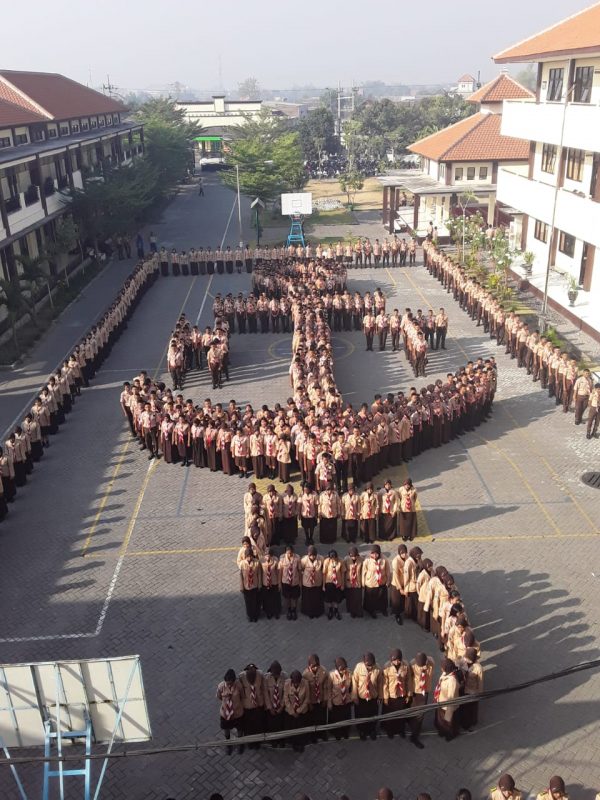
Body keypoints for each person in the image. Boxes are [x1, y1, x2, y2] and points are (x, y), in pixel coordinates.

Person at [352, 652, 382, 740]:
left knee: (373, 715)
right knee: (361, 715)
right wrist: (354, 696)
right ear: (364, 662)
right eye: (368, 665)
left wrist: (380, 696)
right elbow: (354, 681)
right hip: (362, 697)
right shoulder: (358, 667)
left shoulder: (378, 669)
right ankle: (362, 730)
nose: (370, 667)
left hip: (373, 697)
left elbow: (380, 684)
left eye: (371, 665)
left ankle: (372, 730)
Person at [407, 652, 434, 748]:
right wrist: (410, 691)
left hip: (424, 692)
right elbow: (409, 679)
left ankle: (414, 737)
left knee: (420, 714)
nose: (423, 666)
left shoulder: (430, 662)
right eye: (420, 665)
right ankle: (411, 723)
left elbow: (430, 661)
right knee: (412, 710)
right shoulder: (412, 664)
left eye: (424, 664)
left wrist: (425, 668)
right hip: (415, 691)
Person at [382, 648, 409, 739]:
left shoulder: (405, 665)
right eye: (394, 660)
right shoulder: (386, 667)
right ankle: (390, 731)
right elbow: (385, 683)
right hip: (392, 695)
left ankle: (400, 730)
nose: (397, 662)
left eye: (398, 660)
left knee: (401, 714)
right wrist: (385, 697)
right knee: (391, 715)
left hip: (401, 694)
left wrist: (409, 694)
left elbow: (408, 681)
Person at [216, 669, 244, 754]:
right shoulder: (221, 686)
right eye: (227, 682)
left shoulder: (239, 686)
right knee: (226, 729)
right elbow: (219, 697)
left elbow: (242, 696)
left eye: (231, 683)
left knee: (240, 729)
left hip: (237, 713)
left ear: (234, 681)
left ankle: (240, 744)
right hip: (225, 714)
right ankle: (228, 745)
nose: (229, 684)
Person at [303, 654, 330, 740]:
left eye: (316, 666)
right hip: (312, 701)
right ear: (309, 665)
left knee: (322, 718)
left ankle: (322, 734)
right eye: (313, 666)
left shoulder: (324, 671)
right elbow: (306, 691)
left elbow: (326, 687)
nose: (315, 668)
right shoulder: (305, 675)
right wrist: (309, 703)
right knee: (312, 719)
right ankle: (313, 736)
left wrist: (325, 699)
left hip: (321, 700)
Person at [433, 657, 460, 741]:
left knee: (449, 722)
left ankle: (450, 735)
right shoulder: (446, 673)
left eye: (442, 667)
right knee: (441, 720)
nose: (441, 668)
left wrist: (448, 715)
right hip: (441, 702)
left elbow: (451, 698)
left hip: (448, 707)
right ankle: (442, 731)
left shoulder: (452, 681)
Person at [239, 664, 265, 748]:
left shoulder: (260, 674)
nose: (252, 676)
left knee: (258, 724)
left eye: (254, 674)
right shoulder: (241, 677)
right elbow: (240, 691)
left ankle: (258, 742)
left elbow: (263, 688)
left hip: (258, 705)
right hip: (248, 706)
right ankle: (250, 742)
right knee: (249, 726)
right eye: (250, 674)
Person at [284, 670, 310, 752]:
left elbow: (307, 699)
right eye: (295, 682)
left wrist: (299, 710)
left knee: (301, 728)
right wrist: (292, 711)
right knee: (293, 728)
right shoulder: (287, 684)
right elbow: (286, 699)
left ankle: (301, 744)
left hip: (302, 712)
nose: (296, 684)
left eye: (298, 683)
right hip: (291, 713)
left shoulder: (305, 684)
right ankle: (294, 744)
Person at [328, 656, 353, 740]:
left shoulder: (349, 673)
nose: (344, 671)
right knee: (337, 719)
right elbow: (329, 690)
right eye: (342, 670)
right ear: (337, 669)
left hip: (346, 701)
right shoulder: (331, 676)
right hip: (336, 702)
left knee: (346, 718)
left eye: (345, 668)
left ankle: (345, 732)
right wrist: (329, 703)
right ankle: (337, 733)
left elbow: (352, 687)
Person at [362, 544, 390, 618]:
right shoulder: (367, 560)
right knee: (371, 598)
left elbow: (387, 571)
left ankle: (383, 609)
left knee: (382, 597)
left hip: (381, 581)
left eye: (376, 553)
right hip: (370, 582)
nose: (375, 555)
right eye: (373, 553)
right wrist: (363, 582)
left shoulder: (385, 559)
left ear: (379, 553)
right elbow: (364, 572)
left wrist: (388, 581)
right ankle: (371, 611)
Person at [264, 660, 286, 746]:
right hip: (271, 707)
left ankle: (281, 740)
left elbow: (285, 693)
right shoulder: (266, 678)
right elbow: (266, 694)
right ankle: (273, 741)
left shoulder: (284, 677)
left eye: (278, 673)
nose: (276, 675)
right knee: (272, 725)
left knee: (281, 724)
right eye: (274, 673)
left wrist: (282, 706)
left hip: (280, 706)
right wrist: (270, 707)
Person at [459, 647, 483, 730]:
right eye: (465, 657)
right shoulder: (463, 661)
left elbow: (480, 682)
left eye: (467, 658)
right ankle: (462, 720)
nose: (465, 659)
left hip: (472, 691)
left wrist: (479, 694)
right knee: (462, 706)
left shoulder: (478, 668)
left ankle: (468, 723)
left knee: (470, 709)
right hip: (463, 688)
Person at [300, 545, 324, 618]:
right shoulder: (303, 560)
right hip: (307, 583)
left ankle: (318, 612)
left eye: (314, 556)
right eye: (311, 556)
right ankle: (309, 612)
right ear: (308, 554)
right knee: (308, 599)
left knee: (317, 598)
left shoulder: (321, 558)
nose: (313, 557)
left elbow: (322, 569)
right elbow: (301, 569)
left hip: (317, 582)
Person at [279, 545, 301, 620]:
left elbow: (299, 570)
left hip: (295, 581)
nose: (289, 555)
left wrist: (300, 582)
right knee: (287, 598)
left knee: (294, 598)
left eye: (290, 553)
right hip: (286, 582)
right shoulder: (282, 559)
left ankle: (294, 610)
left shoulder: (297, 558)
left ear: (293, 552)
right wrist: (279, 583)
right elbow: (280, 571)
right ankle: (289, 610)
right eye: (287, 553)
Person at [240, 546, 261, 622]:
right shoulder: (242, 564)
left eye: (250, 556)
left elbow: (259, 574)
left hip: (254, 585)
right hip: (246, 586)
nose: (249, 558)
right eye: (247, 556)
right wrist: (241, 587)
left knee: (255, 601)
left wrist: (259, 585)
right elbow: (241, 576)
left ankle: (256, 615)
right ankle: (250, 615)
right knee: (248, 602)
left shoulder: (256, 563)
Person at [323, 549, 345, 620]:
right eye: (331, 558)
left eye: (334, 558)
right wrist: (323, 585)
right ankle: (330, 610)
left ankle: (336, 610)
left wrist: (342, 584)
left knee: (336, 598)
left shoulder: (341, 561)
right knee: (329, 598)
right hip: (329, 582)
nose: (333, 559)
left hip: (337, 583)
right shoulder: (326, 561)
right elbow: (324, 573)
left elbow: (342, 573)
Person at [260, 548, 281, 619]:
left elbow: (278, 572)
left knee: (275, 598)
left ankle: (276, 612)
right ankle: (268, 612)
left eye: (269, 556)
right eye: (266, 556)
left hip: (274, 582)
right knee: (267, 598)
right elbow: (260, 573)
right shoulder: (261, 561)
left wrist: (279, 583)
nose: (267, 557)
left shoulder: (275, 560)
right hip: (265, 582)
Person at [344, 546, 363, 618]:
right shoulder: (346, 559)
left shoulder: (361, 559)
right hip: (349, 581)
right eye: (352, 556)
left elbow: (363, 571)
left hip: (357, 581)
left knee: (358, 597)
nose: (354, 558)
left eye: (355, 556)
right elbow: (344, 571)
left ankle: (358, 611)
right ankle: (352, 611)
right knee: (350, 597)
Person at [390, 544, 407, 625]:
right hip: (397, 584)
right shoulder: (395, 561)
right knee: (397, 601)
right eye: (402, 553)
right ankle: (397, 615)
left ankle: (403, 612)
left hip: (405, 583)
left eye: (405, 552)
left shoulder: (407, 558)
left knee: (403, 600)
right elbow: (396, 576)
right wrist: (400, 588)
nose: (404, 554)